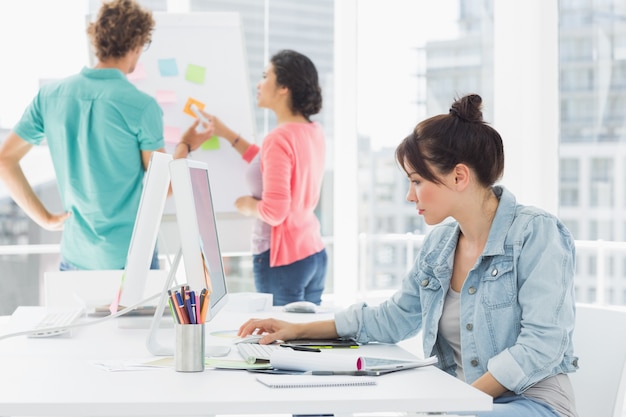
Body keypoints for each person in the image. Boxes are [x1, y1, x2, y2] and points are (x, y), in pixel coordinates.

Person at [238, 94, 579, 417]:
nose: (409, 195)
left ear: (459, 176)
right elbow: (394, 318)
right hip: (465, 403)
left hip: (531, 404)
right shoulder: (440, 244)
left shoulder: (536, 234)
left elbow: (540, 345)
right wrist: (299, 330)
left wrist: (456, 404)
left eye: (416, 181)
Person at [0, 0, 213, 271]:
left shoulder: (50, 97)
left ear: (97, 40)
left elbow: (5, 160)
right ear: (136, 45)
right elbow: (163, 188)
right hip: (130, 259)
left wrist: (45, 219)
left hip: (75, 256)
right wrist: (184, 146)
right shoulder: (141, 106)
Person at [202, 49, 327, 306]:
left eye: (265, 76)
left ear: (284, 87)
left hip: (282, 261)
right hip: (312, 253)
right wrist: (227, 134)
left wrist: (246, 205)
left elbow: (275, 211)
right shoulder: (312, 131)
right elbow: (266, 163)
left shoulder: (278, 138)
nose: (259, 84)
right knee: (308, 339)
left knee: (279, 342)